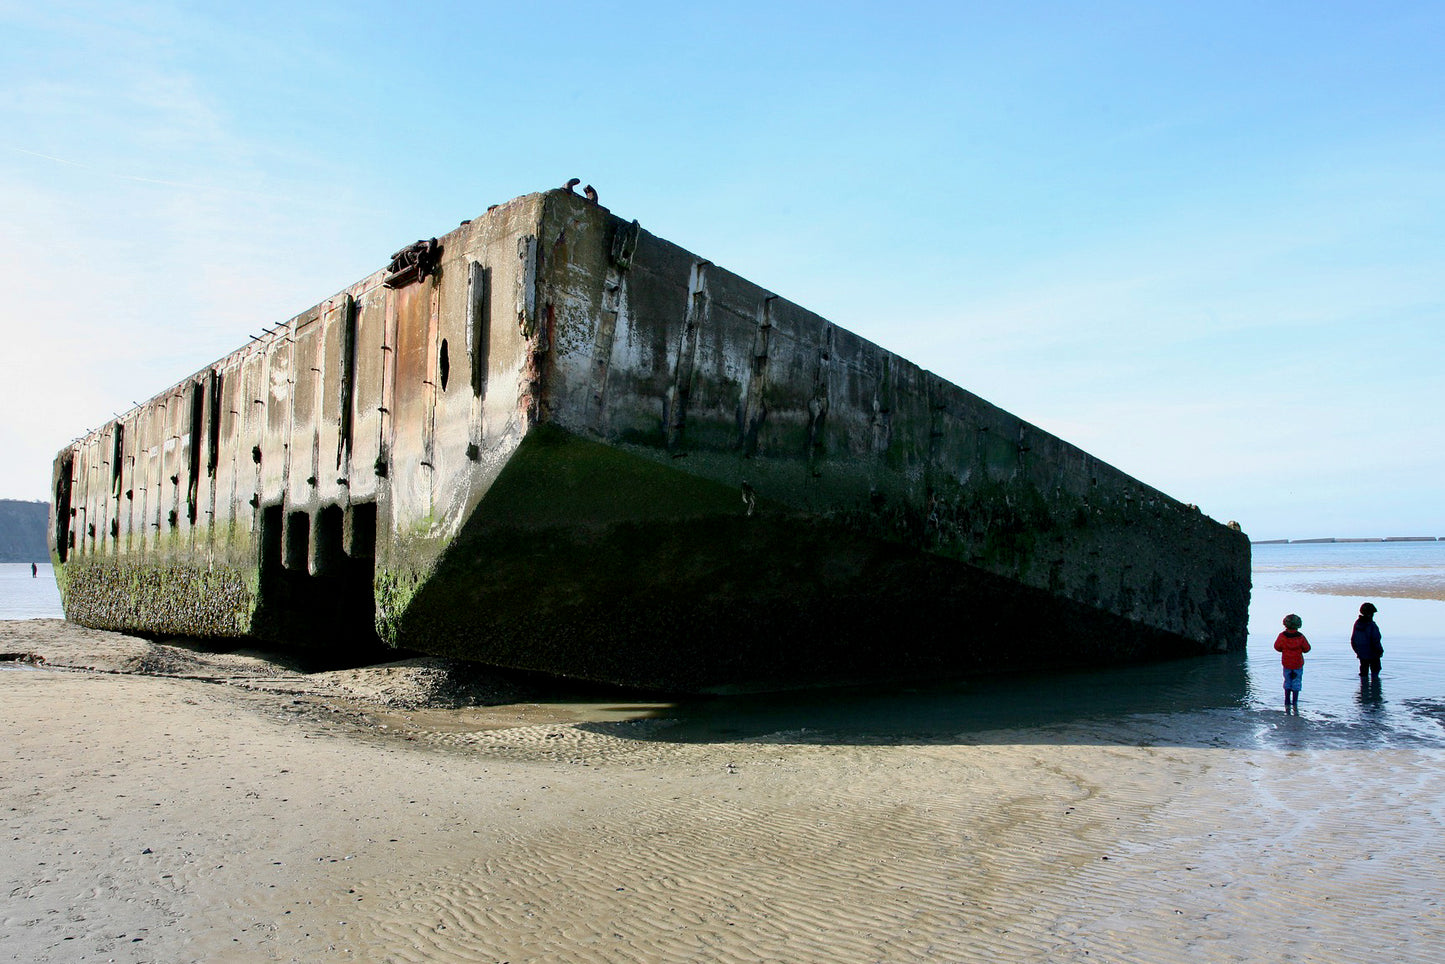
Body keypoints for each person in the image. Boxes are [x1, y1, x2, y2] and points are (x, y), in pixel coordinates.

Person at [1274, 614, 1311, 711]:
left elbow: (1277, 647)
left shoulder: (1282, 636)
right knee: (1296, 682)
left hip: (1286, 663)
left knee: (1287, 680)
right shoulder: (1300, 637)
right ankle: (1295, 702)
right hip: (1298, 664)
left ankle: (1287, 701)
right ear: (1299, 625)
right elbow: (1307, 649)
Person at [1351, 602, 1383, 679]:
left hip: (1362, 654)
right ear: (1370, 614)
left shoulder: (1357, 624)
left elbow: (1353, 640)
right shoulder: (1372, 625)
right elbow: (1376, 640)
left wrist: (1357, 651)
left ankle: (1364, 689)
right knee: (1375, 671)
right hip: (1373, 654)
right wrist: (1380, 651)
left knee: (1363, 672)